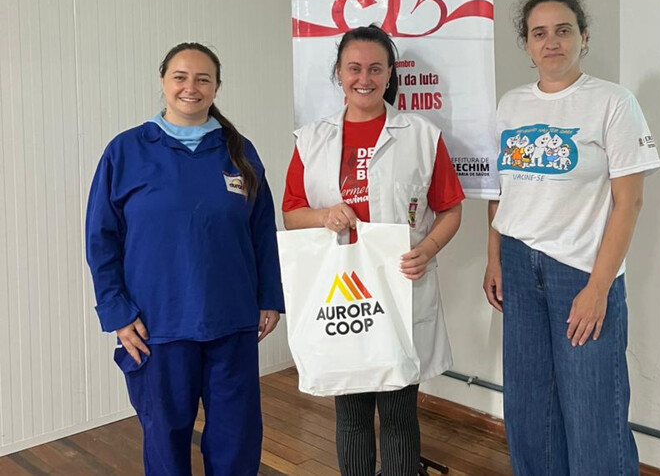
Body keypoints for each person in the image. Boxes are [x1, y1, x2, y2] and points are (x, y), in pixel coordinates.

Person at [483, 0, 660, 475]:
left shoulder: (613, 102)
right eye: (539, 33)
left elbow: (630, 202)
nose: (552, 42)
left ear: (583, 37)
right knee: (529, 408)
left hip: (581, 270)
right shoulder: (511, 104)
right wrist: (494, 258)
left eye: (563, 30)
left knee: (593, 410)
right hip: (518, 265)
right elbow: (502, 191)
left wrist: (598, 288)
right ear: (527, 44)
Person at [85, 42, 285, 476]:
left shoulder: (239, 151)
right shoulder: (126, 151)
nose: (190, 87)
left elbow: (262, 230)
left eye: (202, 79)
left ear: (216, 87)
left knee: (236, 437)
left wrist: (269, 296)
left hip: (232, 320)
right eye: (180, 77)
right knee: (165, 438)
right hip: (157, 325)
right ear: (163, 81)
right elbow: (101, 239)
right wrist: (117, 312)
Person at [282, 25, 464, 476]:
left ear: (389, 74)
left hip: (400, 287)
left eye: (375, 69)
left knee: (399, 410)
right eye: (354, 68)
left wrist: (427, 249)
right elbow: (291, 213)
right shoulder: (312, 139)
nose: (364, 78)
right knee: (352, 414)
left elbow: (450, 209)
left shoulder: (421, 135)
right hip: (343, 294)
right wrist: (324, 215)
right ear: (339, 73)